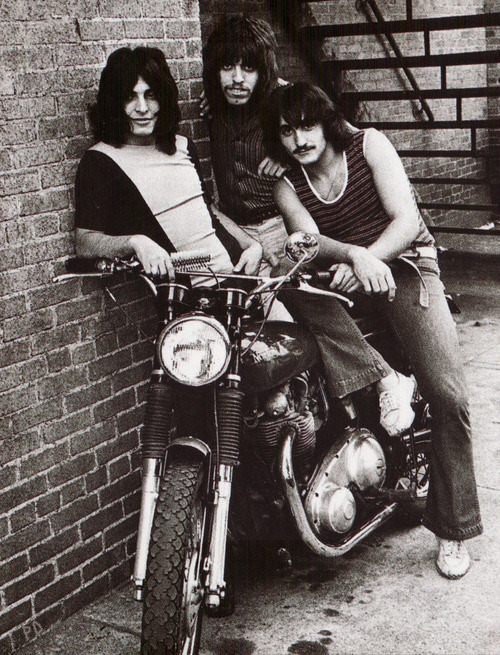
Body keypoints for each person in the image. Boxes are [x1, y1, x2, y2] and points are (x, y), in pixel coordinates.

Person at [262, 81, 483, 579]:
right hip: (343, 278)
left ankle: (452, 529)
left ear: (325, 121)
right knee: (285, 284)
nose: (299, 139)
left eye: (306, 126)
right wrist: (350, 258)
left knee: (449, 396)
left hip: (404, 267)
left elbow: (405, 220)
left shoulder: (369, 145)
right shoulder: (287, 183)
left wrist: (366, 258)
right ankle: (384, 379)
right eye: (286, 131)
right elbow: (307, 241)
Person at [75, 46, 262, 284]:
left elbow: (208, 211)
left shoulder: (183, 145)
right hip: (192, 294)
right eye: (130, 97)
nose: (142, 108)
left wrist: (251, 245)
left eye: (151, 95)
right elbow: (85, 241)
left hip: (241, 274)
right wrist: (136, 242)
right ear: (114, 104)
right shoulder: (100, 160)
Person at [201, 14, 292, 319]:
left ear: (263, 71)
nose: (237, 78)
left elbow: (332, 138)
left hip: (280, 227)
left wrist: (288, 152)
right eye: (227, 67)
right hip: (234, 232)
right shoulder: (213, 105)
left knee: (285, 319)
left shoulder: (284, 101)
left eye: (248, 68)